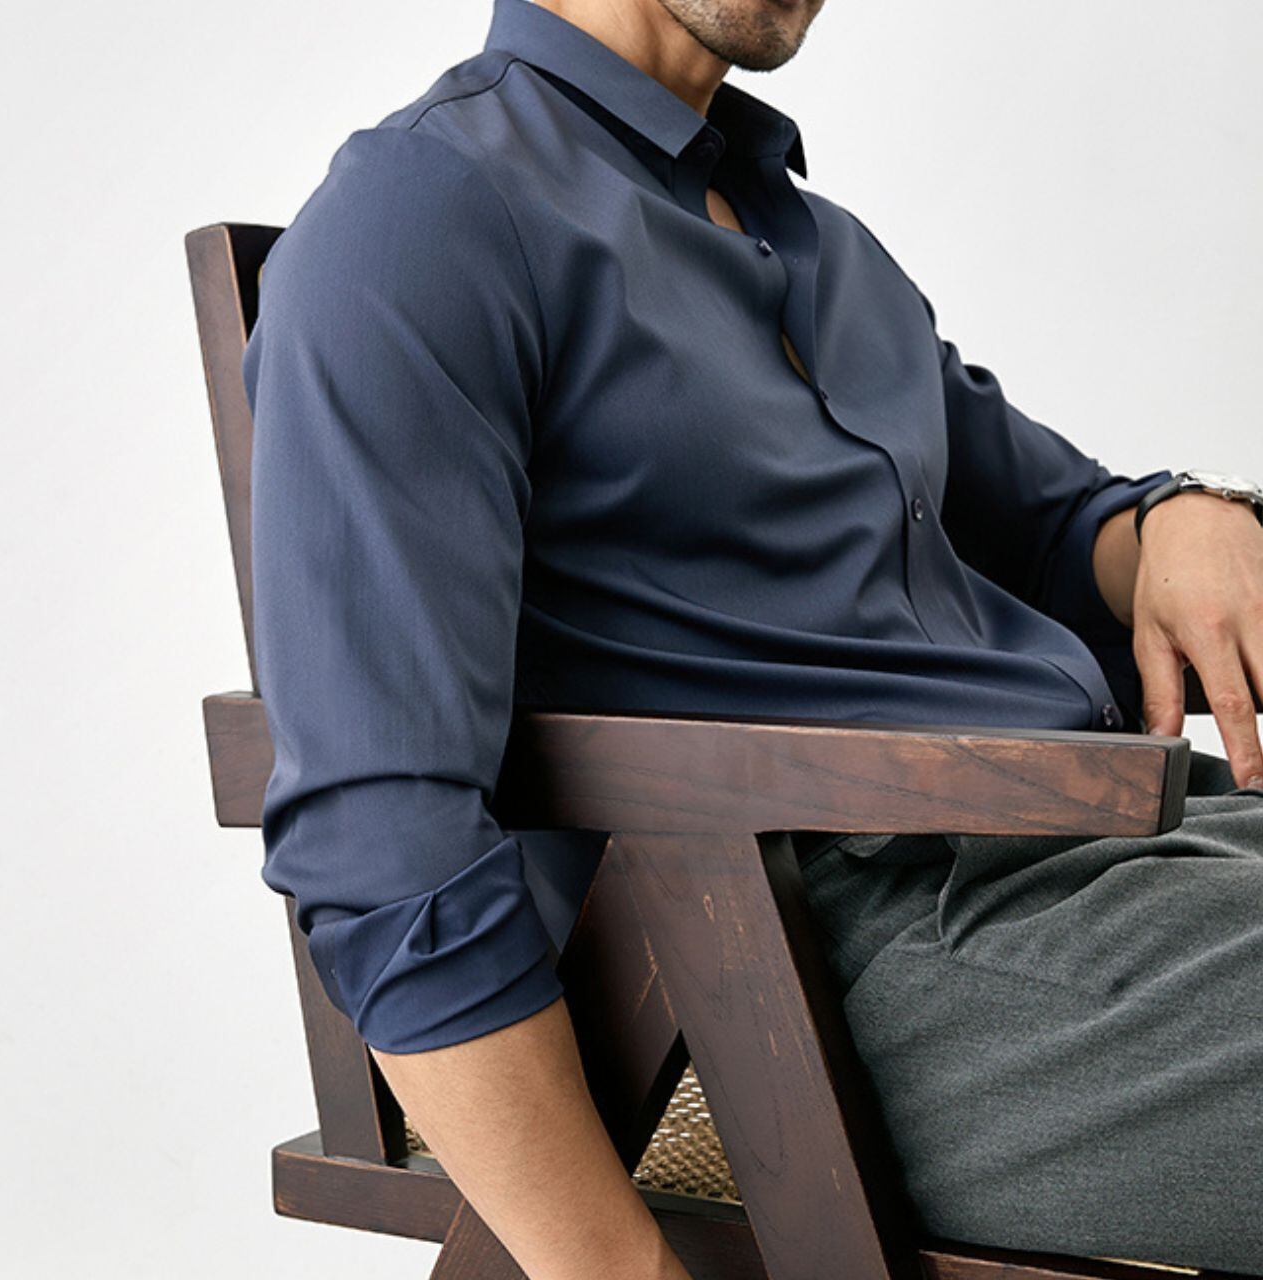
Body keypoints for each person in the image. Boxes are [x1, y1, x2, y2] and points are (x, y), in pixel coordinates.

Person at [240, 1, 1263, 1276]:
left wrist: (1181, 514)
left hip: (1128, 850)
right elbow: (380, 839)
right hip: (812, 967)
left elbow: (1057, 528)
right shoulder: (424, 212)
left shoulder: (822, 244)